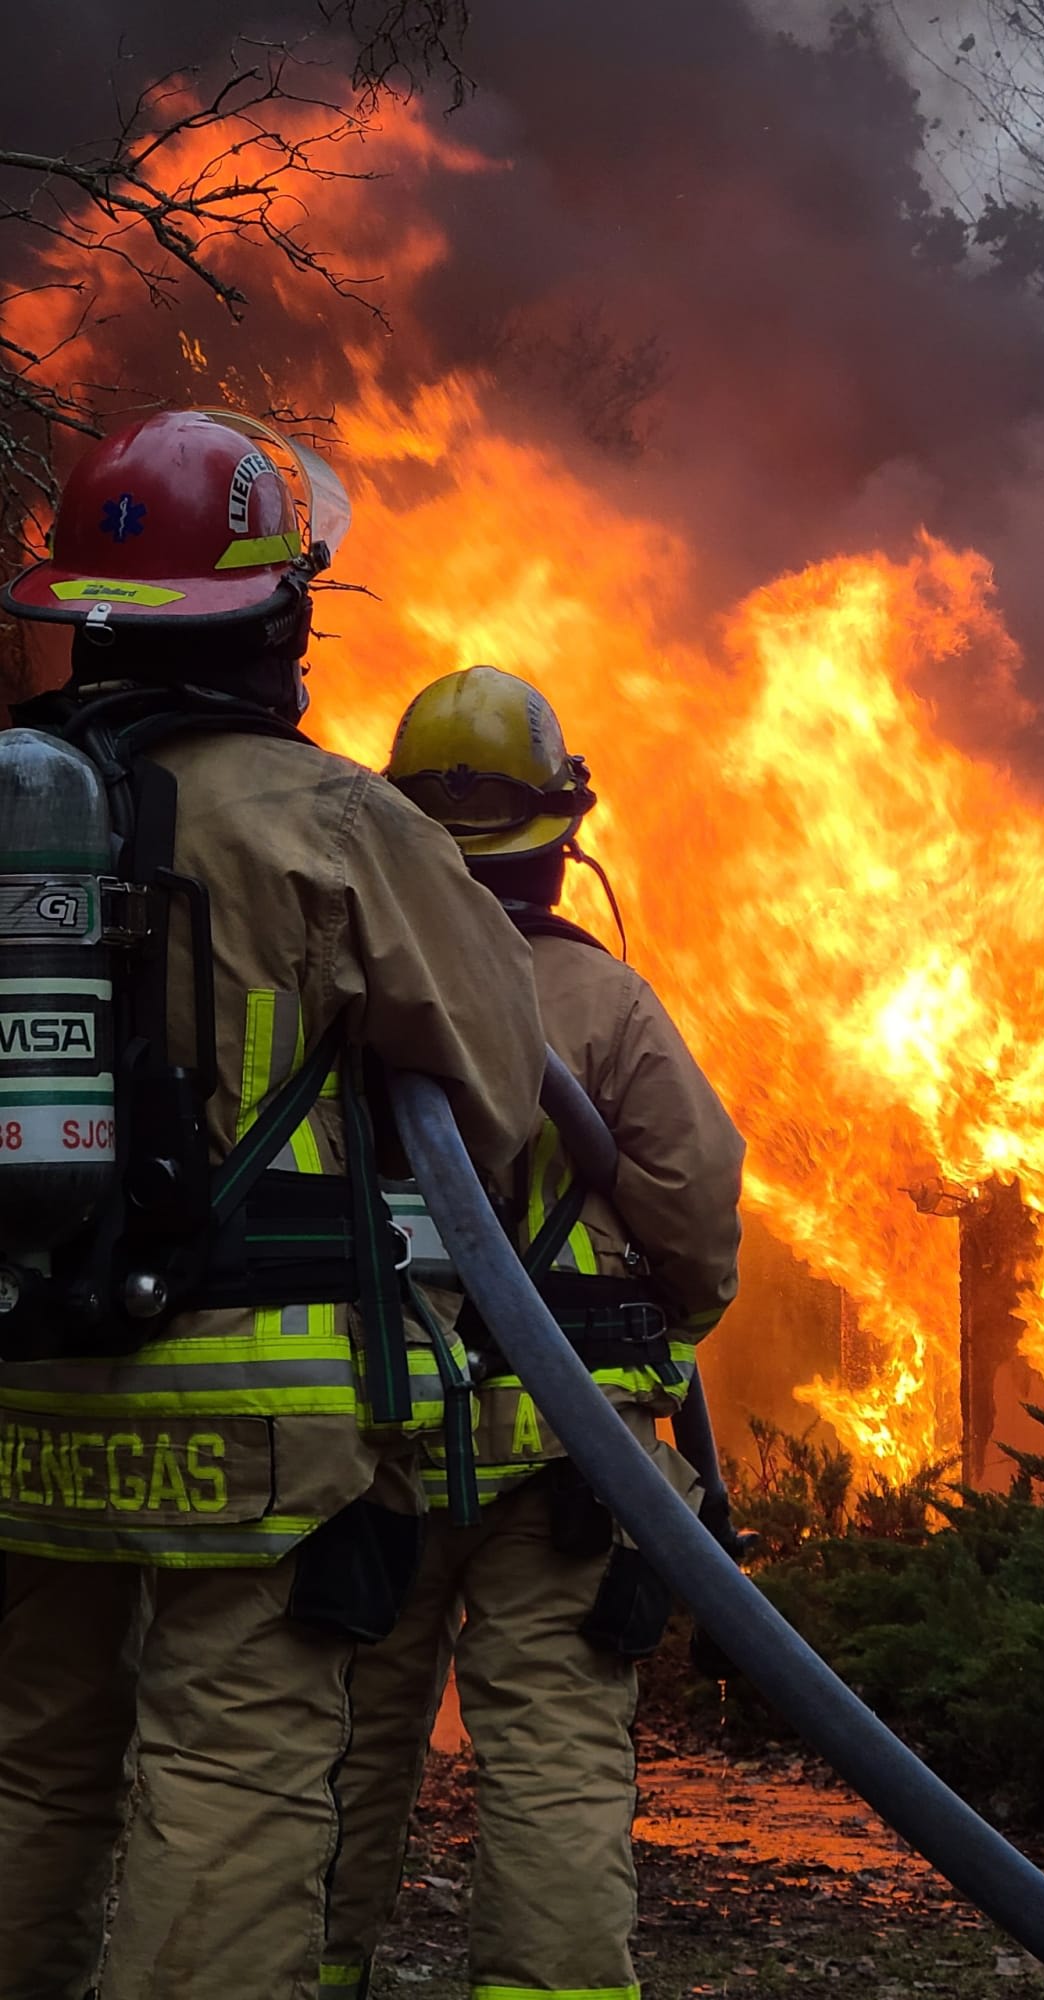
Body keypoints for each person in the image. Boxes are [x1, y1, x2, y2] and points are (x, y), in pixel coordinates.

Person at [0, 415, 546, 2000]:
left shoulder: (20, 816)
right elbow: (501, 1085)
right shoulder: (333, 820)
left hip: (31, 1374)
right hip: (258, 1409)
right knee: (230, 1770)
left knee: (31, 1763)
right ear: (279, 619)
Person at [321, 665, 744, 2000]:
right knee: (554, 1752)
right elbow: (695, 1218)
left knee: (333, 1740)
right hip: (571, 1459)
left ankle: (305, 1974)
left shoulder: (332, 992)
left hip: (366, 1441)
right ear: (564, 838)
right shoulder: (605, 1008)